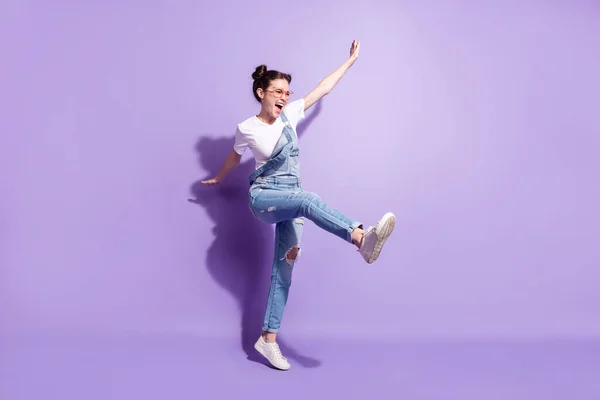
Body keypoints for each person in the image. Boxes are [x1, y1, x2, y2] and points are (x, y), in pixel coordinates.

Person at [201, 40, 396, 370]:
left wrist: (350, 61)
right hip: (264, 198)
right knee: (308, 200)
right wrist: (218, 178)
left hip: (291, 198)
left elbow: (323, 88)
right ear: (261, 92)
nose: (285, 97)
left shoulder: (290, 115)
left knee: (284, 270)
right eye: (277, 91)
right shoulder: (246, 128)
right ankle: (361, 238)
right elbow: (235, 157)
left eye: (287, 92)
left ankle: (267, 340)